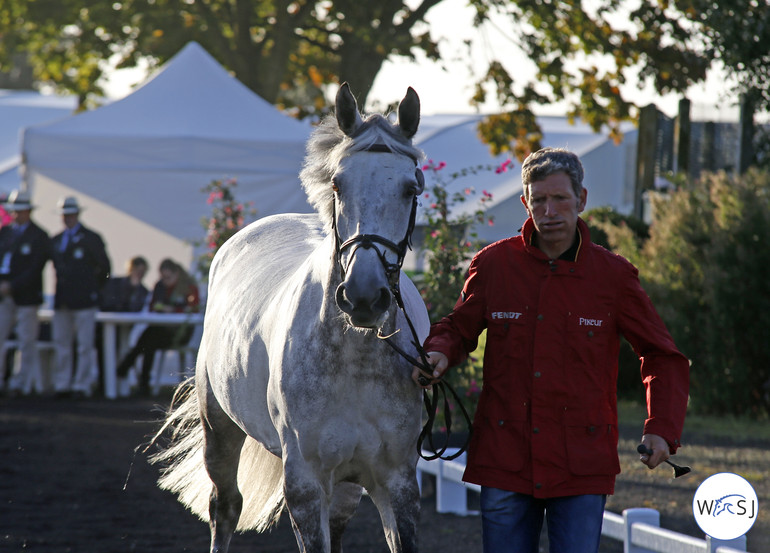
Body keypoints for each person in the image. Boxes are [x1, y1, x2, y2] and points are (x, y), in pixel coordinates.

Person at [414, 148, 690, 553]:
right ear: (525, 202)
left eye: (560, 198)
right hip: (504, 457)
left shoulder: (613, 276)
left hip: (582, 461)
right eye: (539, 200)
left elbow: (662, 356)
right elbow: (457, 328)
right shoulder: (493, 265)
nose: (550, 210)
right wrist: (439, 350)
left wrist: (662, 428)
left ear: (581, 199)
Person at [50, 196, 111, 398]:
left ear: (77, 214)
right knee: (62, 344)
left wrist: (91, 288)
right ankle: (62, 384)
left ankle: (81, 384)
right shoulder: (57, 240)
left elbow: (104, 268)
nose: (67, 218)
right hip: (63, 301)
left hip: (84, 300)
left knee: (85, 345)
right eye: (65, 215)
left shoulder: (91, 238)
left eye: (71, 215)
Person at [116, 258, 199, 396]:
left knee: (149, 338)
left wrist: (173, 310)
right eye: (163, 277)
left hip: (181, 333)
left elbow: (193, 310)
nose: (165, 281)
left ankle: (128, 368)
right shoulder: (160, 286)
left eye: (168, 277)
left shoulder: (189, 287)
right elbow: (152, 307)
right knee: (150, 338)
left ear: (176, 273)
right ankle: (141, 381)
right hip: (162, 331)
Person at [0, 191, 51, 396]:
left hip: (26, 296)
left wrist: (13, 285)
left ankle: (21, 383)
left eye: (19, 211)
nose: (15, 215)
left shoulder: (39, 236)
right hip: (4, 296)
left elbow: (35, 267)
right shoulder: (5, 233)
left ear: (28, 211)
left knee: (25, 340)